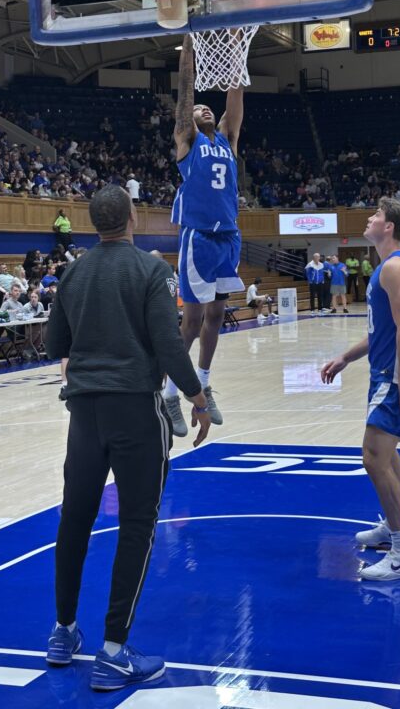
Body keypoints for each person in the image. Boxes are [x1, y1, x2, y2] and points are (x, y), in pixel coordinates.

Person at [44, 185, 210, 691]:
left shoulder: (72, 271)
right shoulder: (151, 271)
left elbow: (55, 343)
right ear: (133, 218)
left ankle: (63, 631)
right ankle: (114, 652)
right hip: (135, 410)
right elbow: (168, 343)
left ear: (93, 223)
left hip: (83, 413)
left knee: (75, 519)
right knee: (137, 524)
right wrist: (197, 397)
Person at [321, 197, 400, 581]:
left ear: (389, 227)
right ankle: (392, 527)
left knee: (373, 456)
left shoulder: (396, 267)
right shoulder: (388, 267)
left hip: (393, 375)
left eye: (377, 215)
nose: (370, 217)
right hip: (385, 372)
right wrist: (346, 357)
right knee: (387, 454)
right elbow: (380, 331)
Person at [165, 34, 244, 437]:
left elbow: (234, 98)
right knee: (192, 321)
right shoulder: (188, 141)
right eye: (198, 109)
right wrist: (188, 51)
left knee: (217, 315)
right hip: (199, 239)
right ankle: (169, 391)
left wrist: (236, 48)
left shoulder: (227, 141)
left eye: (206, 107)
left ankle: (204, 381)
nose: (203, 108)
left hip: (229, 237)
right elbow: (184, 96)